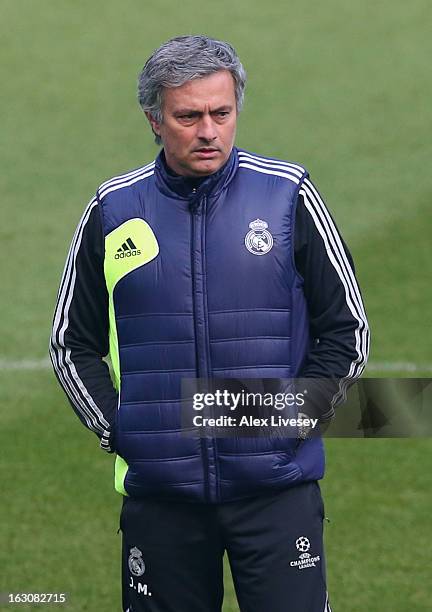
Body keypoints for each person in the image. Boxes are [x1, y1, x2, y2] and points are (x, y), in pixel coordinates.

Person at [50, 35, 369, 612]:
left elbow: (347, 331)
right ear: (153, 119)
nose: (208, 131)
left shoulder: (287, 195)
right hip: (162, 501)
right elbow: (72, 344)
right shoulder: (113, 210)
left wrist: (289, 423)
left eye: (222, 114)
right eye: (188, 116)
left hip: (276, 494)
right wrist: (124, 432)